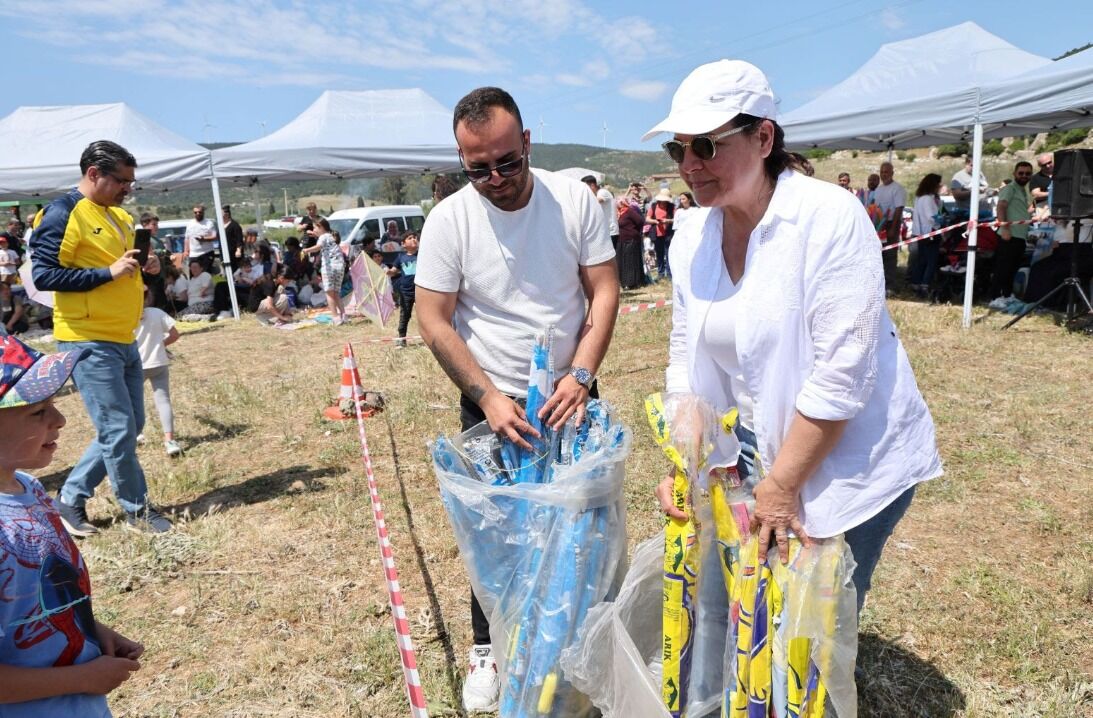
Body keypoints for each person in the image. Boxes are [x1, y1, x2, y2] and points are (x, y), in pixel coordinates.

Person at [644, 59, 941, 631]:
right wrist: (689, 464)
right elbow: (686, 356)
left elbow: (842, 376)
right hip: (756, 441)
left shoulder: (827, 218)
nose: (688, 166)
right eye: (677, 150)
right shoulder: (692, 236)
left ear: (763, 137)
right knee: (753, 611)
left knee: (812, 627)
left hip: (848, 456)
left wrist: (780, 487)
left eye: (705, 145)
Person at [415, 85, 618, 712]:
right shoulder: (449, 220)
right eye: (478, 169)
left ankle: (586, 646)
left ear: (527, 143)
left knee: (581, 528)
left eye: (508, 162)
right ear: (460, 160)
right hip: (492, 400)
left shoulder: (573, 202)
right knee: (494, 531)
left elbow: (604, 291)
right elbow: (434, 318)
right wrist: (486, 396)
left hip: (569, 393)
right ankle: (490, 650)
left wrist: (580, 375)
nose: (496, 179)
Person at [30, 140, 172, 535]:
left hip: (123, 336)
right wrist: (106, 273)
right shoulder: (61, 214)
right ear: (94, 174)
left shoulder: (119, 216)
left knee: (128, 425)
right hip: (87, 339)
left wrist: (148, 267)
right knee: (118, 429)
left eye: (131, 182)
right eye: (122, 181)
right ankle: (137, 510)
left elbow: (125, 267)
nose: (128, 189)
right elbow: (43, 276)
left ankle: (71, 497)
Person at [0, 335, 145, 716]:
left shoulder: (29, 488)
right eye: (38, 412)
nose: (60, 420)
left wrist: (90, 630)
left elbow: (37, 599)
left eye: (54, 405)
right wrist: (81, 679)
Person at [135, 289, 182, 457]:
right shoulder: (157, 313)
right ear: (148, 298)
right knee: (163, 401)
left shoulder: (125, 317)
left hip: (136, 366)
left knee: (135, 401)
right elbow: (175, 334)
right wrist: (161, 345)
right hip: (159, 362)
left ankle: (137, 434)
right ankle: (170, 440)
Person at [990, 161, 1034, 301]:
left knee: (1012, 268)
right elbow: (1001, 207)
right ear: (1014, 174)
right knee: (1003, 269)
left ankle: (1007, 295)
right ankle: (995, 298)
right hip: (1009, 235)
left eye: (1027, 173)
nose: (1024, 176)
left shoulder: (1022, 191)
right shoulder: (1010, 188)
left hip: (1019, 236)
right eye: (1021, 173)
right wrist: (1005, 229)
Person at [301, 218, 347, 325]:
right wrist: (314, 233)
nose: (314, 229)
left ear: (321, 227)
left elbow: (318, 247)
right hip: (340, 266)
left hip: (329, 267)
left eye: (315, 227)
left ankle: (336, 318)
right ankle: (344, 316)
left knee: (329, 294)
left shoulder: (322, 237)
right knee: (336, 293)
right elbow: (322, 239)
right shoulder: (330, 236)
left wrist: (306, 250)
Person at [908, 173, 944, 297]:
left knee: (921, 260)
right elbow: (931, 217)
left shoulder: (919, 197)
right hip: (931, 232)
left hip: (920, 233)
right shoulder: (928, 199)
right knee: (931, 261)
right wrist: (942, 220)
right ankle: (925, 285)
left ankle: (916, 283)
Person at [873, 161, 906, 290]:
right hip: (879, 224)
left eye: (886, 172)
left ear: (892, 173)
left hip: (892, 223)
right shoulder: (879, 189)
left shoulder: (898, 189)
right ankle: (880, 284)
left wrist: (893, 228)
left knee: (890, 254)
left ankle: (891, 286)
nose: (883, 174)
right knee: (879, 254)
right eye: (882, 172)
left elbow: (899, 209)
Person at [389, 232, 419, 346]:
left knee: (424, 315)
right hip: (405, 292)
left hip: (421, 291)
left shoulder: (422, 255)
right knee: (404, 315)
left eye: (415, 238)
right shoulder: (401, 257)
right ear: (403, 244)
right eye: (410, 238)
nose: (414, 240)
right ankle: (402, 339)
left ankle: (429, 336)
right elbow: (394, 271)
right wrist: (389, 272)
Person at [616, 197, 647, 290]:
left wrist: (634, 230)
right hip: (621, 240)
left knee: (630, 262)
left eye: (619, 202)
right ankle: (624, 282)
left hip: (631, 239)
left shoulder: (629, 211)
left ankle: (631, 283)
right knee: (622, 261)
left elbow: (641, 221)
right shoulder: (619, 213)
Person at [582, 175, 619, 249]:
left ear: (592, 185)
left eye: (585, 187)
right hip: (606, 231)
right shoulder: (599, 193)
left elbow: (597, 201)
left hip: (610, 231)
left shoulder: (602, 192)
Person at [646, 187, 675, 279]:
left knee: (669, 254)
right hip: (657, 234)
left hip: (668, 234)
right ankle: (661, 273)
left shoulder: (672, 207)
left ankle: (670, 274)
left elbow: (677, 219)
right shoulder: (654, 206)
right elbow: (647, 218)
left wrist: (668, 221)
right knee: (659, 254)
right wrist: (655, 222)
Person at [183, 204, 218, 273]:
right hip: (193, 254)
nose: (198, 214)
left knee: (205, 274)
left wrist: (204, 239)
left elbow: (215, 237)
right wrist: (186, 251)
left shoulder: (209, 223)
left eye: (200, 212)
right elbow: (187, 238)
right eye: (195, 212)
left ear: (203, 212)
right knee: (194, 274)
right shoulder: (190, 223)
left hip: (206, 253)